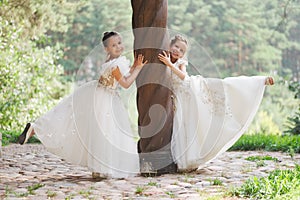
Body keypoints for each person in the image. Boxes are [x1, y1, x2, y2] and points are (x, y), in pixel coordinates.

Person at [18, 31, 148, 179]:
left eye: (119, 43)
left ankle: (36, 127)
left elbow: (121, 76)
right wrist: (138, 68)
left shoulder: (112, 62)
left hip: (98, 93)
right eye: (113, 45)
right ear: (106, 49)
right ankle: (102, 167)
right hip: (105, 98)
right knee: (106, 131)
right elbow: (125, 83)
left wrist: (134, 67)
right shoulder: (115, 65)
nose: (118, 47)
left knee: (79, 121)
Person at [158, 35, 274, 171]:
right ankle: (186, 160)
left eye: (182, 50)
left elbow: (184, 77)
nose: (178, 51)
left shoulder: (180, 63)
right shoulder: (164, 60)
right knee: (186, 126)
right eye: (176, 46)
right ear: (170, 45)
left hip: (192, 91)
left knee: (224, 86)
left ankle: (259, 82)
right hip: (180, 99)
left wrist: (169, 64)